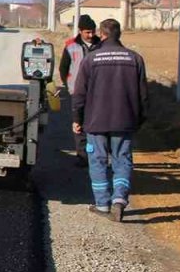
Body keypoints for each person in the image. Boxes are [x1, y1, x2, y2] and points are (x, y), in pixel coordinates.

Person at [71, 18, 147, 222]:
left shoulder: (91, 59)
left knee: (97, 160)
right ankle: (120, 199)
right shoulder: (135, 59)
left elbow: (79, 94)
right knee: (122, 160)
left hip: (95, 121)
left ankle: (103, 204)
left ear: (101, 35)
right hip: (125, 121)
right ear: (119, 34)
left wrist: (77, 118)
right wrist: (139, 120)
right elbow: (143, 96)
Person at [59, 15, 101, 167]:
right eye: (87, 32)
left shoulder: (101, 45)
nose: (91, 35)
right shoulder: (70, 46)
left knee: (97, 125)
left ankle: (98, 156)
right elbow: (63, 68)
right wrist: (68, 85)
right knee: (79, 124)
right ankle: (82, 157)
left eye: (93, 32)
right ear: (80, 31)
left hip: (98, 93)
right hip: (77, 92)